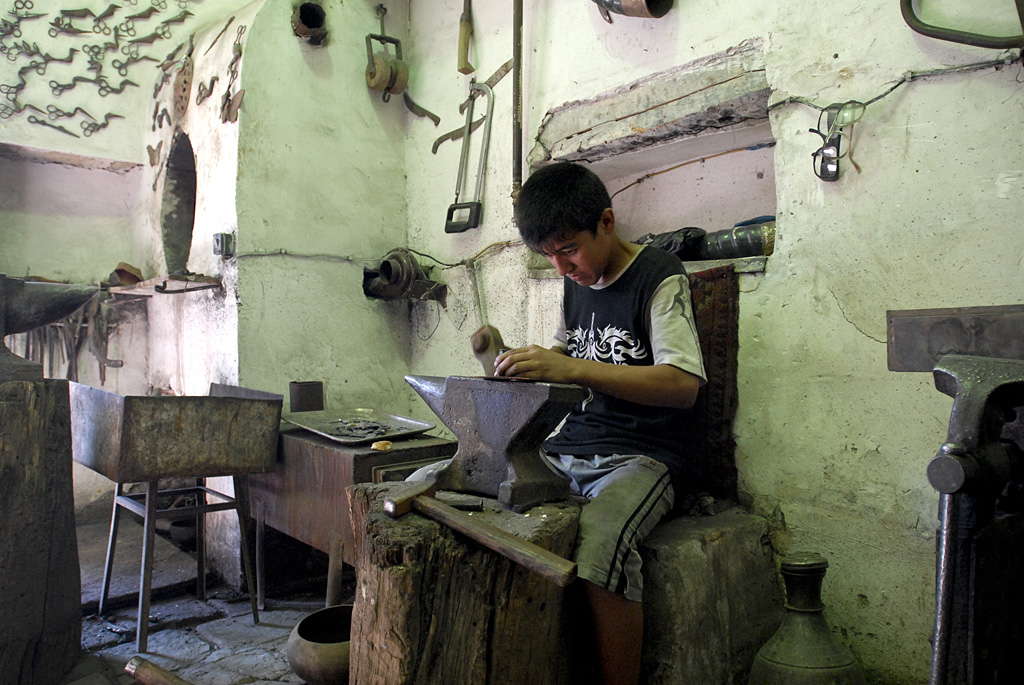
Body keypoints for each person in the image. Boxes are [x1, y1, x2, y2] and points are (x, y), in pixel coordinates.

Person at [494, 161, 706, 685]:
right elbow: (570, 356)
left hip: (646, 454)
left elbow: (683, 385)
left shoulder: (659, 277)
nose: (562, 267)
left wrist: (570, 367)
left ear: (607, 222)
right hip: (573, 445)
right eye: (548, 256)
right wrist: (534, 363)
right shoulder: (575, 283)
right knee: (488, 498)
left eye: (569, 249)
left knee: (601, 542)